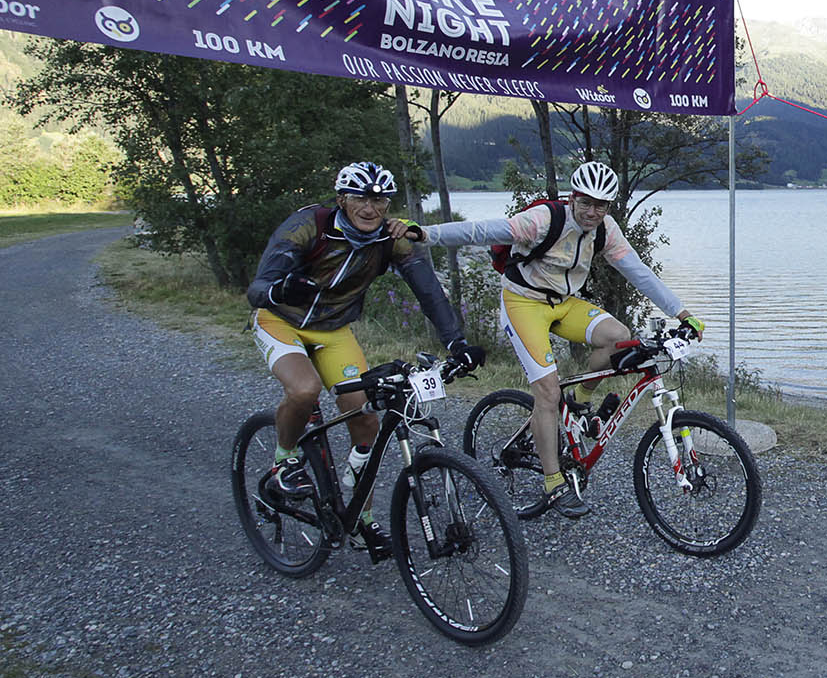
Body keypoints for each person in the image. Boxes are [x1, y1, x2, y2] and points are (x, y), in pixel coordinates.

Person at [408, 160, 702, 517]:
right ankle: (553, 483)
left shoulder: (605, 230)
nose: (592, 212)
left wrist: (682, 313)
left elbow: (638, 271)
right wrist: (425, 234)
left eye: (601, 205)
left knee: (618, 337)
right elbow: (480, 231)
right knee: (547, 393)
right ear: (572, 198)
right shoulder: (543, 220)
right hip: (523, 302)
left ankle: (579, 401)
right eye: (586, 202)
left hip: (562, 303)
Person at [247, 161, 482, 556]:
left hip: (333, 330)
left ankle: (361, 520)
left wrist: (457, 343)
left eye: (380, 200)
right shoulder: (308, 226)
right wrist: (281, 289)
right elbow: (258, 289)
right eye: (361, 199)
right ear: (342, 199)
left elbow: (429, 292)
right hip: (280, 320)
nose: (371, 208)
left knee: (366, 418)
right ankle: (284, 461)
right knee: (304, 390)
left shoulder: (390, 239)